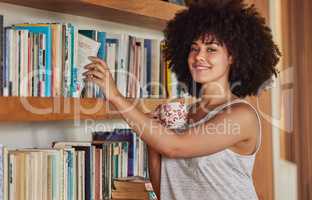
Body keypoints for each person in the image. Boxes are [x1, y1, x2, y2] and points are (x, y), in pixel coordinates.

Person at [83, 0, 280, 199]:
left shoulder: (241, 115)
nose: (199, 57)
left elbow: (175, 146)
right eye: (194, 48)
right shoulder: (184, 114)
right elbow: (165, 191)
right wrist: (153, 139)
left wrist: (115, 96)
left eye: (211, 49)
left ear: (232, 57)